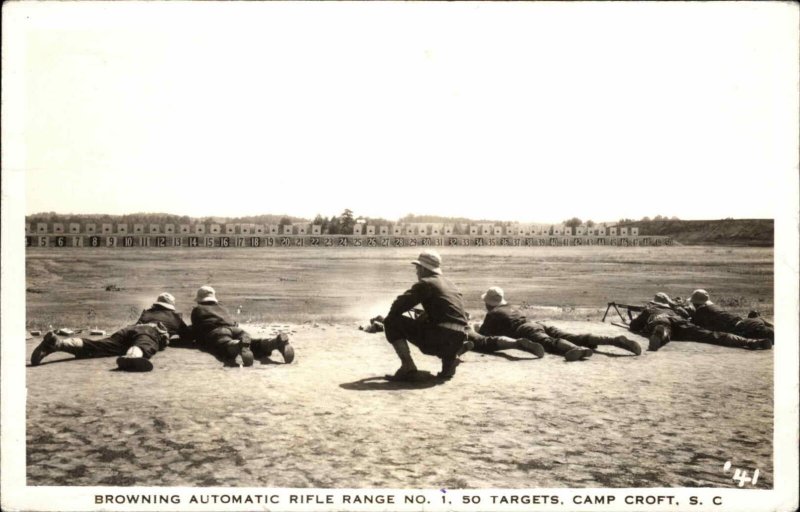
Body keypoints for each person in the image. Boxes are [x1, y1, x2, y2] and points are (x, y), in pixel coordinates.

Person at [475, 287, 642, 361]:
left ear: (488, 303)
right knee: (574, 336)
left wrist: (476, 327)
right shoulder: (510, 307)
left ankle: (573, 349)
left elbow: (482, 336)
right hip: (537, 324)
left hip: (525, 329)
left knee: (549, 343)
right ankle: (613, 340)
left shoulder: (493, 314)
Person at [30, 293, 176, 372]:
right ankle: (131, 357)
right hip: (149, 331)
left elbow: (137, 330)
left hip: (127, 330)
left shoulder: (147, 313)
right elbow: (189, 335)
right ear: (170, 307)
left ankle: (59, 343)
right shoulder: (174, 318)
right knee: (145, 343)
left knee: (99, 346)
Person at [382, 250, 470, 381]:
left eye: (417, 268)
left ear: (423, 268)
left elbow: (398, 306)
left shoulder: (426, 283)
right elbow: (444, 312)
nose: (416, 272)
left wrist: (389, 319)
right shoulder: (451, 284)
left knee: (391, 321)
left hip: (439, 337)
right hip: (460, 336)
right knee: (434, 320)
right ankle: (449, 361)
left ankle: (407, 366)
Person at [190, 285, 294, 367]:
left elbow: (196, 330)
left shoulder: (197, 310)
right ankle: (275, 343)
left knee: (224, 345)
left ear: (199, 300)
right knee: (253, 343)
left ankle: (238, 346)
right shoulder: (222, 307)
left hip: (217, 331)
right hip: (235, 329)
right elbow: (232, 321)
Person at [629, 292, 772, 351]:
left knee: (663, 327)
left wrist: (640, 319)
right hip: (680, 322)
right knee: (711, 335)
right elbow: (686, 315)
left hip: (660, 320)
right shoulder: (675, 310)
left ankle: (662, 334)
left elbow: (634, 325)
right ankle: (749, 343)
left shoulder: (650, 310)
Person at [688, 289, 774, 343]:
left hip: (746, 328)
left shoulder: (701, 312)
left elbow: (691, 327)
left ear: (696, 304)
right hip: (749, 322)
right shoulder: (714, 307)